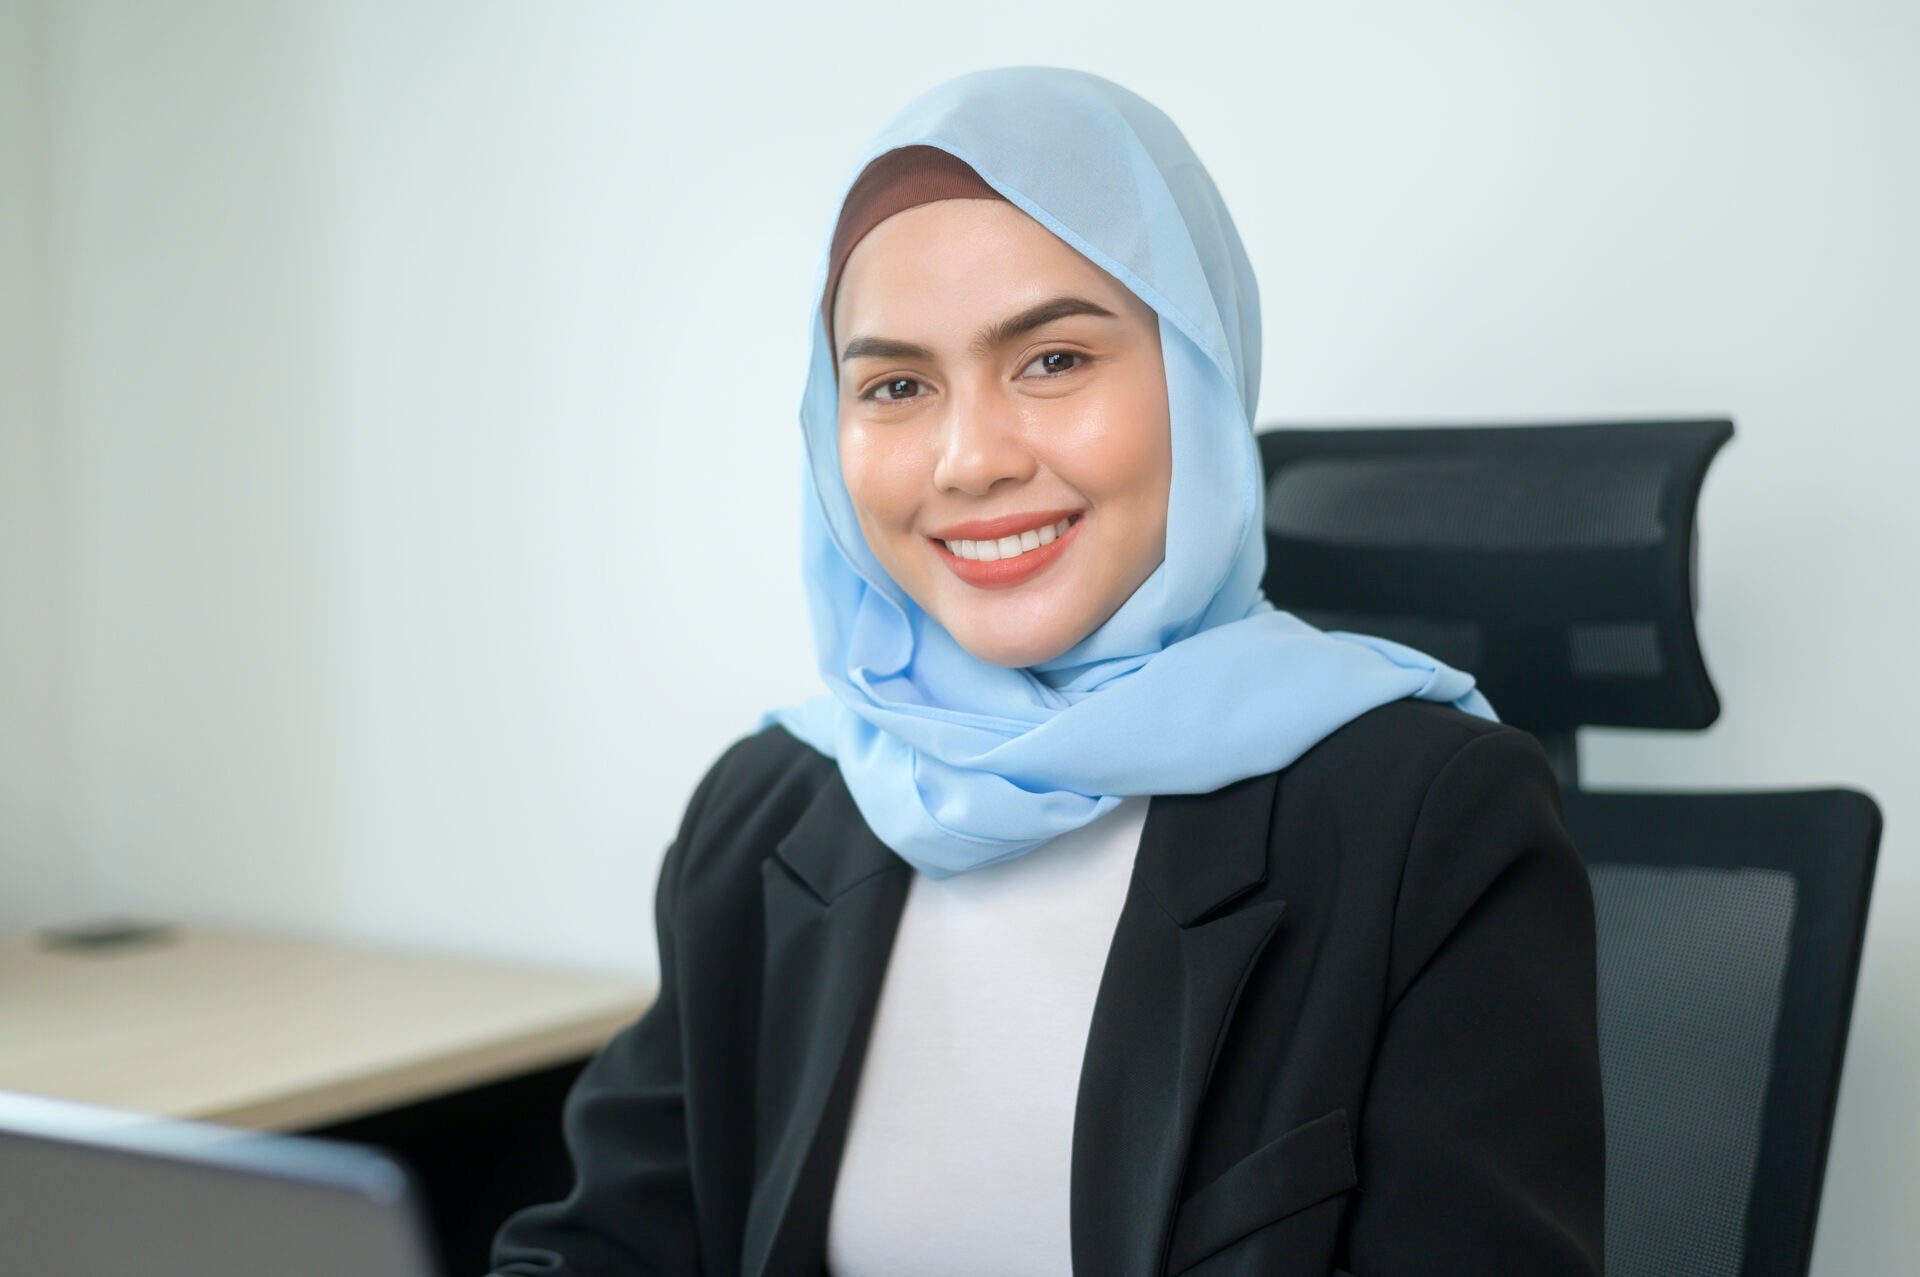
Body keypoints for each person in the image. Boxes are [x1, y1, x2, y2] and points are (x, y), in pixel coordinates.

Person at [487, 66, 1604, 1277]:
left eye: (1053, 360)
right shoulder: (771, 808)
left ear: (1200, 377)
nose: (969, 459)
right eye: (898, 385)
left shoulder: (1430, 816)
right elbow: (606, 1241)